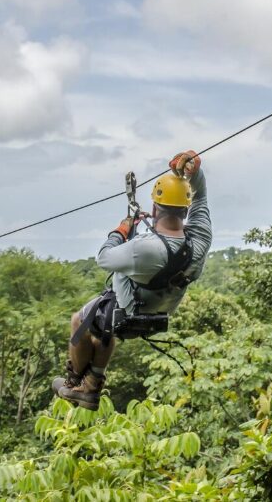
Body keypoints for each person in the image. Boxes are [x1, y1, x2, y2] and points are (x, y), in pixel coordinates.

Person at [52, 150, 212, 409]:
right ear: (186, 209)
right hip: (162, 308)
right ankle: (92, 385)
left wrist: (122, 230)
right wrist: (195, 173)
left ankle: (74, 385)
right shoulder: (200, 239)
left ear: (154, 208)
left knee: (79, 320)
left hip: (131, 307)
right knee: (103, 329)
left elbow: (104, 258)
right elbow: (201, 197)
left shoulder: (143, 249)